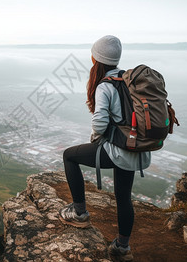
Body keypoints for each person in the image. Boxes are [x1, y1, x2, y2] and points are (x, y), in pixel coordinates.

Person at [58, 35, 151, 261]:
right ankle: (122, 248)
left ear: (95, 59)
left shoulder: (105, 86)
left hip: (116, 150)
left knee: (69, 156)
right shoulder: (130, 80)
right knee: (123, 196)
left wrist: (97, 138)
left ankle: (79, 213)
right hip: (136, 150)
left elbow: (100, 122)